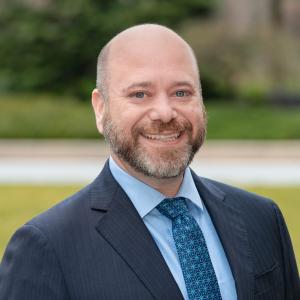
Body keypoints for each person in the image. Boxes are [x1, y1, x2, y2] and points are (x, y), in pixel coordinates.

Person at [0, 24, 299, 300]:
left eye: (181, 93)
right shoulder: (47, 247)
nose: (165, 112)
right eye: (140, 94)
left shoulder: (262, 219)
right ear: (100, 109)